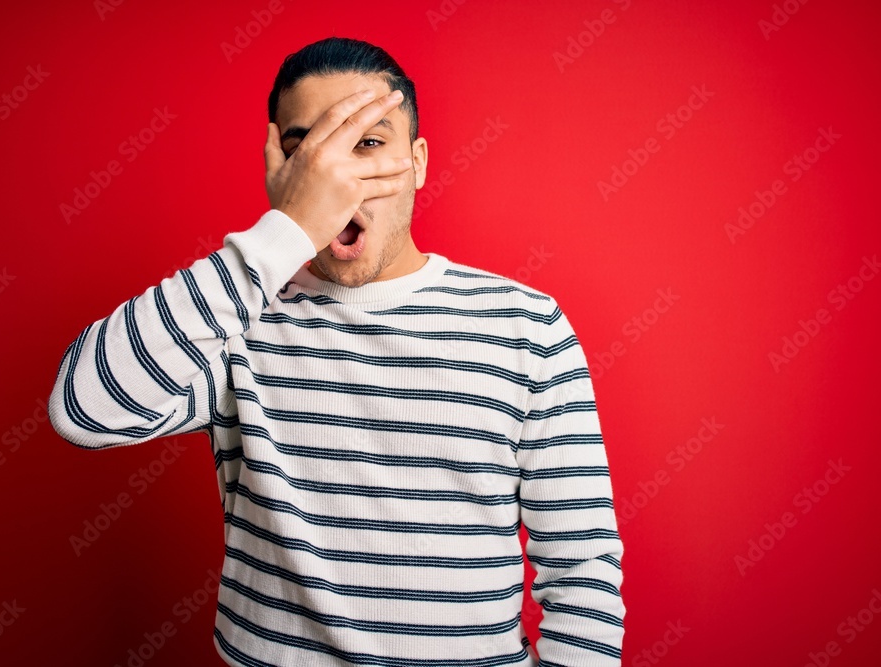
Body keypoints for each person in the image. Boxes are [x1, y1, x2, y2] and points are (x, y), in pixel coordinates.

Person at [49, 36, 625, 666]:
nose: (340, 180)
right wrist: (286, 232)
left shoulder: (527, 325)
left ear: (417, 162)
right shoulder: (232, 320)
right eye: (309, 154)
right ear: (281, 171)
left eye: (368, 144)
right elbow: (84, 410)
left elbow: (582, 568)